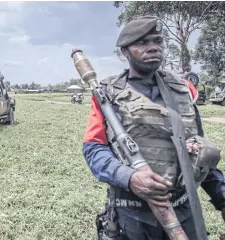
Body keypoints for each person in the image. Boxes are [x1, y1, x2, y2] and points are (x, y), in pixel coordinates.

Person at [82, 16, 225, 240]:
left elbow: (199, 154)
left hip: (185, 213)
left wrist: (222, 200)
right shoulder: (107, 94)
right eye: (142, 42)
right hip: (133, 218)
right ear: (125, 52)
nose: (153, 48)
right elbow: (94, 150)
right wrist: (129, 178)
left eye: (158, 41)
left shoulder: (184, 89)